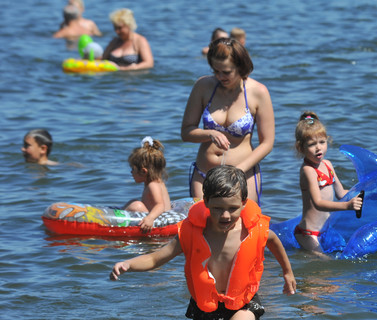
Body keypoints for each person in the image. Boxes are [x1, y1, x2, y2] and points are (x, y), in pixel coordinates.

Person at [110, 165, 296, 319]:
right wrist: (128, 264)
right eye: (217, 208)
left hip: (243, 302)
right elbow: (156, 258)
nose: (225, 215)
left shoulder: (252, 231)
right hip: (205, 304)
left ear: (244, 203)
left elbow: (272, 240)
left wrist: (287, 272)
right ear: (206, 202)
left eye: (232, 208)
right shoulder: (192, 234)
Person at [181, 38, 275, 205]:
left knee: (244, 226)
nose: (220, 76)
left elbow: (267, 143)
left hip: (243, 174)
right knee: (201, 223)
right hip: (204, 174)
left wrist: (237, 171)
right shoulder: (203, 86)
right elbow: (186, 132)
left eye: (226, 72)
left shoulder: (258, 92)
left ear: (240, 67)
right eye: (216, 71)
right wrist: (209, 133)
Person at [294, 112, 363, 253]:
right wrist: (347, 206)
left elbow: (341, 193)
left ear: (328, 141)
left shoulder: (328, 165)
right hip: (308, 234)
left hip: (325, 231)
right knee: (324, 262)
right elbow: (318, 203)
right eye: (312, 144)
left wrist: (363, 193)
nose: (318, 148)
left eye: (322, 142)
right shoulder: (308, 170)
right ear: (301, 148)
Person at [123, 137, 171, 233]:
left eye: (133, 169)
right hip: (157, 214)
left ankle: (116, 218)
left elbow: (160, 205)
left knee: (136, 205)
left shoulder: (153, 185)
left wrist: (150, 218)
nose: (131, 172)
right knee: (134, 202)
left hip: (157, 219)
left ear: (144, 171)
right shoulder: (157, 182)